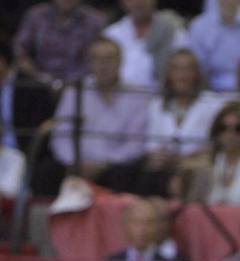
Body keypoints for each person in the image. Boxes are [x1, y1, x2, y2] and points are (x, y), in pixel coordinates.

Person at [41, 36, 148, 196]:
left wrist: (102, 163)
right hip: (76, 163)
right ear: (89, 63)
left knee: (127, 174)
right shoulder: (75, 92)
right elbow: (60, 136)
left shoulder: (138, 94)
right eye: (97, 59)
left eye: (109, 59)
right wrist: (76, 162)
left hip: (115, 165)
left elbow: (136, 143)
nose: (103, 65)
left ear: (121, 61)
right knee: (46, 170)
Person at [136, 47, 227, 196]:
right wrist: (161, 157)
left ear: (197, 73)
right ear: (169, 74)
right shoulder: (157, 105)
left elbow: (217, 145)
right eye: (176, 69)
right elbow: (150, 145)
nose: (182, 75)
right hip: (162, 172)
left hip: (198, 172)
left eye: (188, 69)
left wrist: (181, 160)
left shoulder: (213, 103)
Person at [13, 0, 107, 85]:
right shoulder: (36, 15)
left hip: (80, 85)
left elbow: (99, 55)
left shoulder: (95, 20)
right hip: (37, 83)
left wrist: (71, 82)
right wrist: (39, 77)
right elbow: (20, 51)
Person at [103, 0, 188, 90]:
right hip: (120, 98)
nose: (138, 2)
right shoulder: (111, 34)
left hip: (161, 99)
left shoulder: (174, 32)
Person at [191, 99, 240, 204]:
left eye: (238, 129)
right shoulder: (208, 163)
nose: (230, 135)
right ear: (217, 132)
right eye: (223, 128)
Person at [105, 196, 178, 261]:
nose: (142, 229)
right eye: (136, 222)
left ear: (156, 227)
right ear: (126, 225)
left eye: (148, 222)